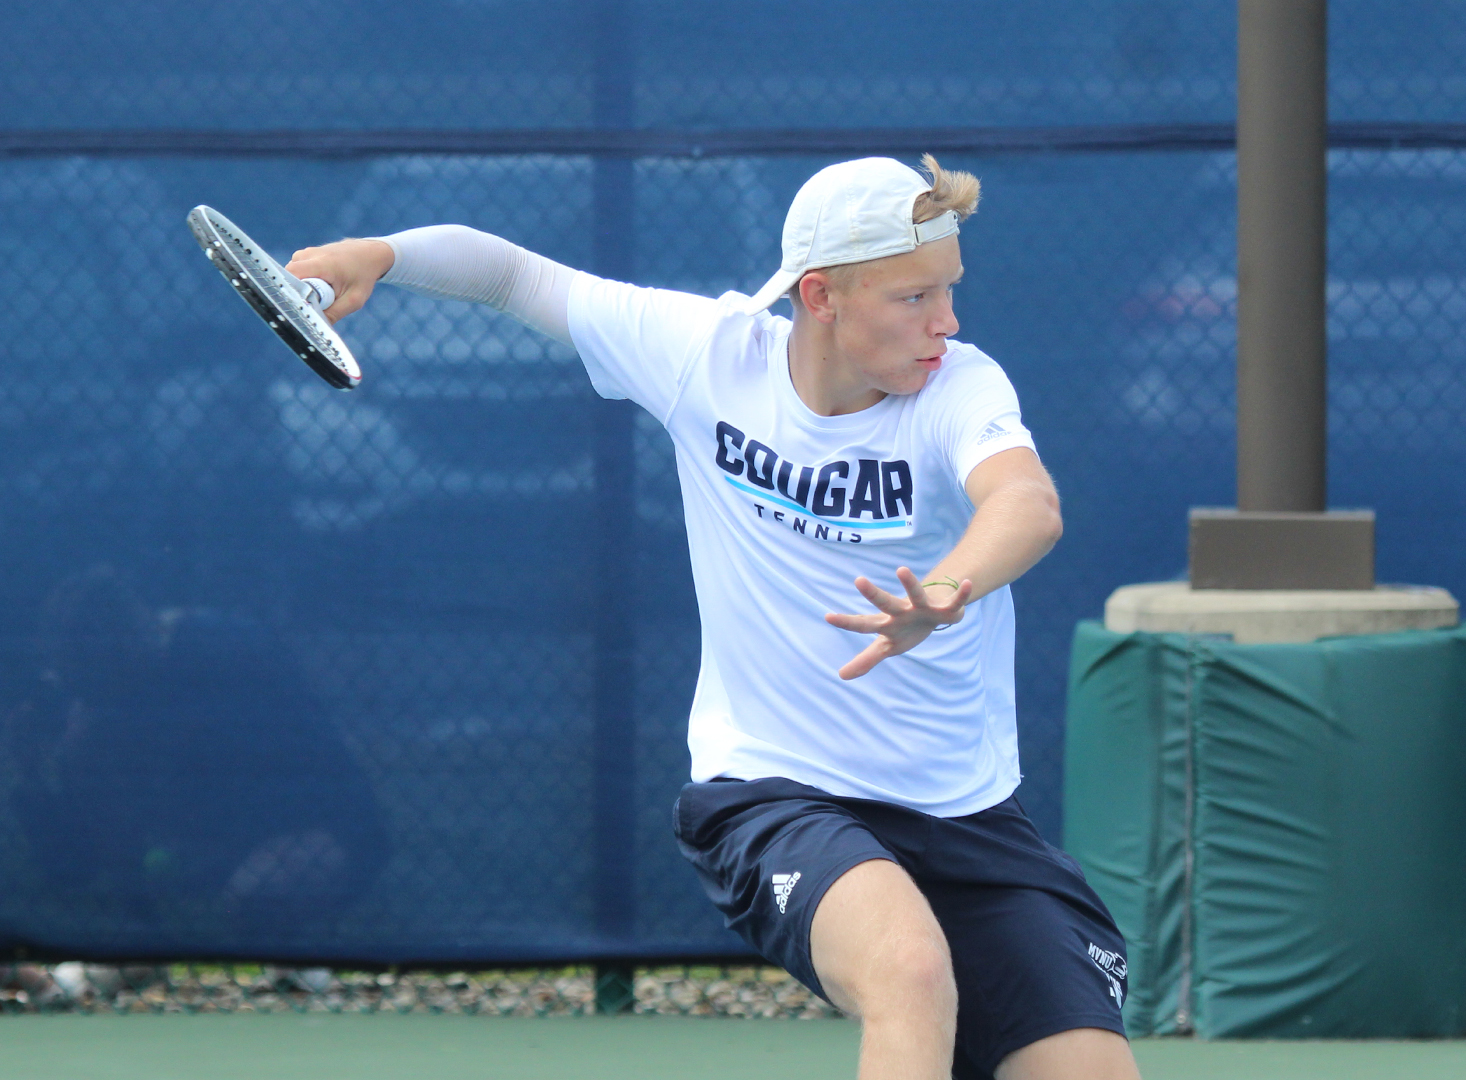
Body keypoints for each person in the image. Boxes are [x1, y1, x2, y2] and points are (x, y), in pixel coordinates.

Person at [288, 155, 1140, 1080]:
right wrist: (375, 252)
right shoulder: (708, 355)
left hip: (967, 816)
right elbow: (515, 274)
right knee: (908, 971)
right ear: (821, 296)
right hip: (777, 792)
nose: (948, 322)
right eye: (915, 296)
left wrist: (946, 591)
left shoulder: (962, 386)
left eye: (950, 290)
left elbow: (1025, 503)